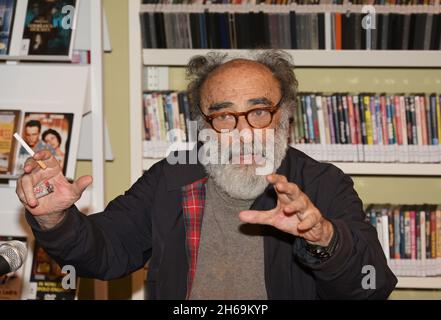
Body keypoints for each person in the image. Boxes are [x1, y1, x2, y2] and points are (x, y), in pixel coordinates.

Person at [16, 50, 397, 300]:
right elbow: (105, 252)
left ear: (285, 115)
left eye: (259, 112)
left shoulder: (321, 183)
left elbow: (372, 284)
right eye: (223, 115)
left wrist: (324, 239)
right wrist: (54, 218)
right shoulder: (171, 178)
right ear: (204, 125)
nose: (243, 130)